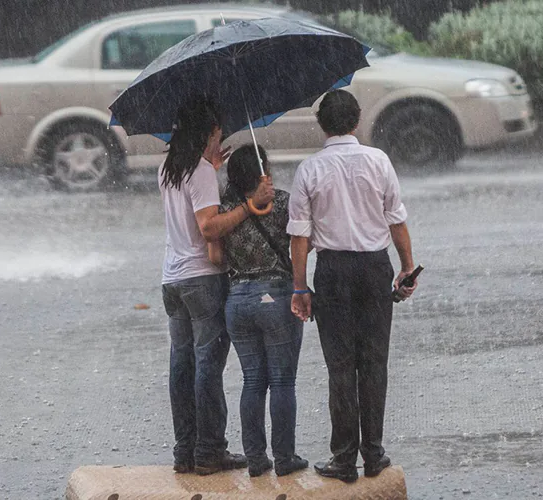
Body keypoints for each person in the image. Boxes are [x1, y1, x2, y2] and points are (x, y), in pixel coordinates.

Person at [287, 90, 418, 483]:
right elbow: (395, 220)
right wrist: (407, 266)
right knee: (374, 363)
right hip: (375, 268)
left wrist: (300, 287)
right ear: (357, 121)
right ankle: (374, 454)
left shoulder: (308, 170)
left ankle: (344, 458)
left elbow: (299, 236)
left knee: (340, 365)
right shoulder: (378, 161)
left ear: (322, 125)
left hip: (332, 271)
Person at [158, 97, 274, 476]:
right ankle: (209, 450)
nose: (220, 138)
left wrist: (213, 167)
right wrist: (248, 206)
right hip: (202, 280)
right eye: (218, 133)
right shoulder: (201, 172)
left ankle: (185, 450)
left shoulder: (168, 167)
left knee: (182, 363)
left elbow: (189, 208)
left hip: (172, 279)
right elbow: (208, 227)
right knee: (207, 364)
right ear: (207, 133)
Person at [208, 144, 309, 478]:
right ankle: (285, 458)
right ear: (263, 169)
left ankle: (255, 458)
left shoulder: (225, 209)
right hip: (275, 297)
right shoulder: (281, 201)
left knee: (253, 380)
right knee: (282, 381)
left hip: (237, 301)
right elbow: (303, 242)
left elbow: (218, 258)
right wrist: (300, 287)